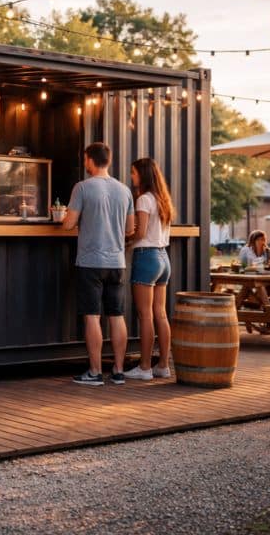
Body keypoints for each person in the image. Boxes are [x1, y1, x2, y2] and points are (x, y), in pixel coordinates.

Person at [63, 142, 135, 386]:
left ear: (90, 160)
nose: (85, 163)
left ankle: (94, 372)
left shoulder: (82, 188)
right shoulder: (124, 190)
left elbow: (67, 224)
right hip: (117, 262)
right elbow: (131, 229)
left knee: (92, 317)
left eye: (85, 159)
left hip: (90, 262)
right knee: (117, 315)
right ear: (110, 160)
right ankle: (118, 371)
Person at [124, 158, 173, 381]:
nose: (132, 177)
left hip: (146, 258)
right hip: (163, 258)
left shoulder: (143, 200)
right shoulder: (163, 200)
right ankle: (163, 365)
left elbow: (141, 232)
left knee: (145, 316)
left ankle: (144, 367)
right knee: (160, 314)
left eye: (134, 173)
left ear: (143, 175)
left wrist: (124, 240)